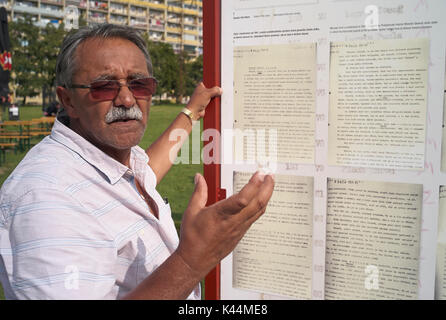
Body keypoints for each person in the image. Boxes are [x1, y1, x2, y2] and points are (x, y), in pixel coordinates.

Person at [0, 24, 274, 299]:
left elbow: (149, 168)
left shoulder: (109, 161)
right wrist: (193, 260)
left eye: (139, 84)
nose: (127, 98)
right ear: (68, 100)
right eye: (104, 86)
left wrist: (190, 113)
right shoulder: (46, 200)